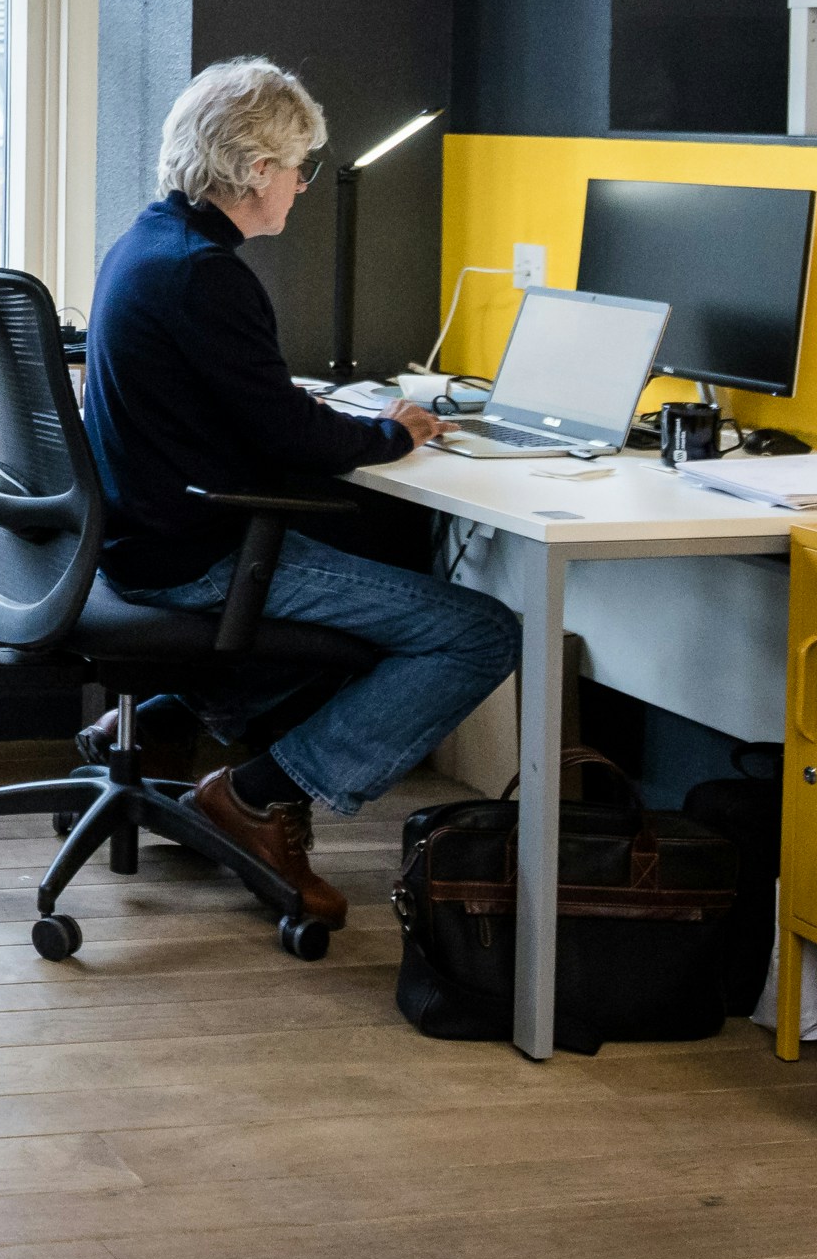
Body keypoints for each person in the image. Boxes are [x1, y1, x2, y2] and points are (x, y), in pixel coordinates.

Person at [81, 56, 519, 924]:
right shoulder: (206, 274)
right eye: (298, 169)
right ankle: (255, 795)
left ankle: (166, 721)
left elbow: (247, 406)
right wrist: (395, 431)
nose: (303, 188)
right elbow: (287, 439)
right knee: (479, 633)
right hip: (198, 555)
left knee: (381, 599)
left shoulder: (147, 242)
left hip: (143, 534)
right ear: (255, 172)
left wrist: (306, 408)